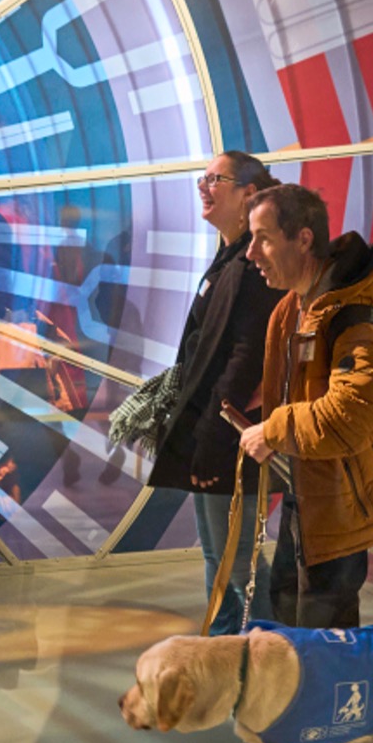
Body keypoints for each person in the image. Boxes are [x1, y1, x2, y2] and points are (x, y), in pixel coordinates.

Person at [238, 183, 373, 743]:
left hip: (341, 505)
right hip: (309, 498)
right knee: (297, 619)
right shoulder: (299, 305)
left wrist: (274, 429)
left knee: (328, 637)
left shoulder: (357, 314)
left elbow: (350, 417)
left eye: (262, 237)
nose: (250, 251)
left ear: (302, 237)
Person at [148, 153, 283, 633]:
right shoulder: (230, 258)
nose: (204, 187)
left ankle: (244, 659)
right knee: (226, 555)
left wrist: (212, 440)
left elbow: (244, 359)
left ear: (250, 193)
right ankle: (253, 652)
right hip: (220, 434)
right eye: (202, 179)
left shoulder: (251, 265)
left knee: (233, 560)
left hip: (231, 439)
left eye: (216, 179)